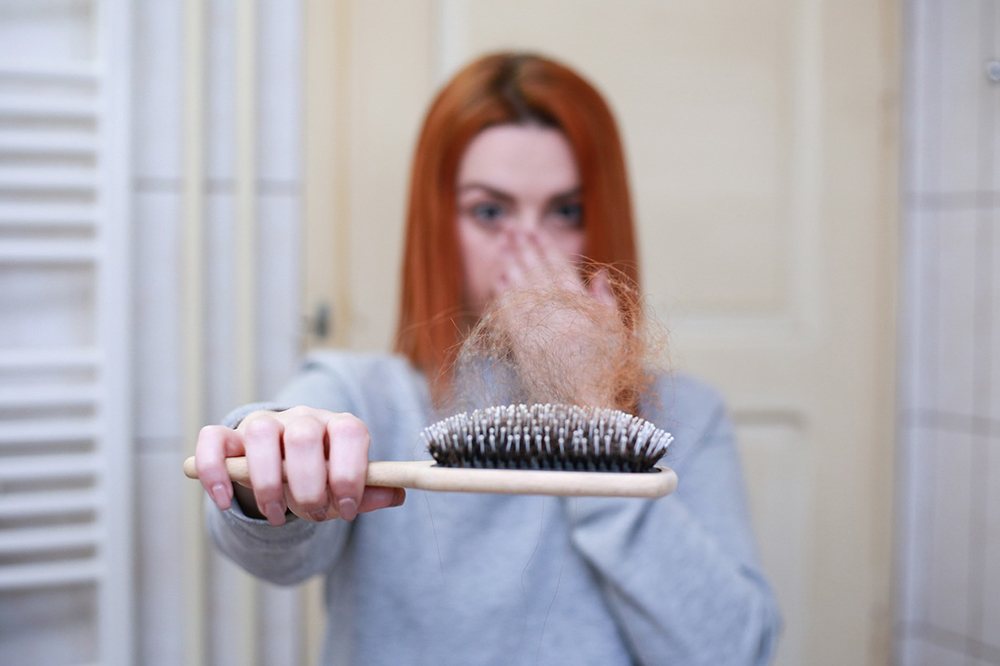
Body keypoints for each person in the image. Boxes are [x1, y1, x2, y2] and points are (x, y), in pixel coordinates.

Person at [196, 52, 781, 666]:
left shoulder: (688, 416)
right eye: (490, 211)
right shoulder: (366, 396)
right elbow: (274, 551)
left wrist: (593, 414)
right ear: (438, 223)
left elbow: (735, 651)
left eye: (566, 212)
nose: (530, 247)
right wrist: (271, 461)